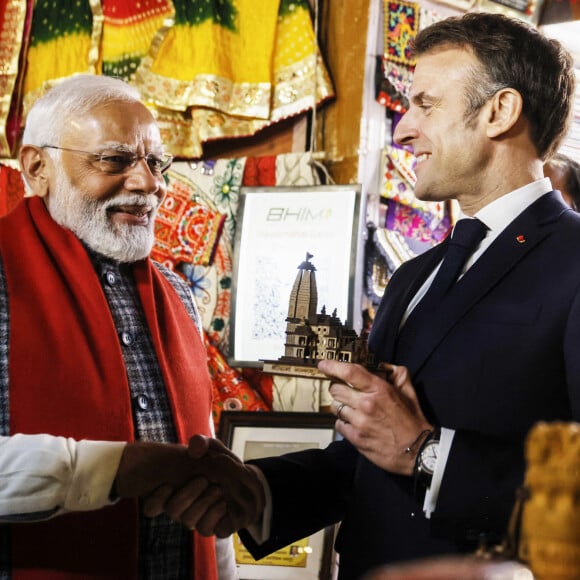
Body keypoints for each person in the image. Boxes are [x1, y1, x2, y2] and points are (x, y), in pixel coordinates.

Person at [143, 11, 580, 580]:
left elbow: (411, 450)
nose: (402, 129)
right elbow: (368, 460)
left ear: (499, 112)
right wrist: (257, 490)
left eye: (426, 104)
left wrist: (426, 452)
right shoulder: (415, 275)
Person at [0, 74, 236, 579]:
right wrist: (111, 469)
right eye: (115, 160)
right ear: (38, 167)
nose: (148, 184)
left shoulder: (176, 293)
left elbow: (203, 465)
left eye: (155, 162)